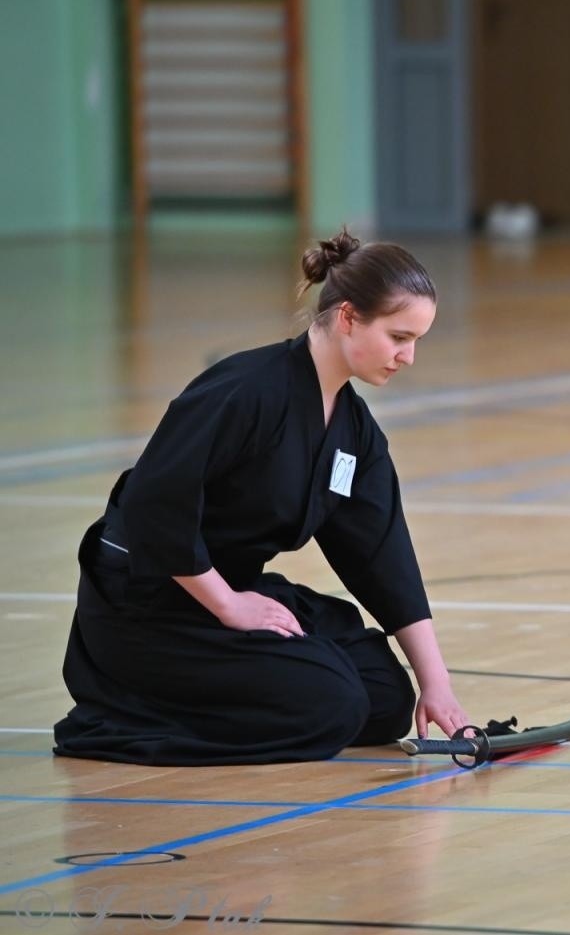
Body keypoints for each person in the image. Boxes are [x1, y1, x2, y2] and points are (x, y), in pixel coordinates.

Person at [54, 228, 471, 765]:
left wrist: (436, 684)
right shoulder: (244, 390)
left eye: (416, 341)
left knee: (384, 699)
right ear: (347, 317)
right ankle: (118, 719)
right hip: (148, 605)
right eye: (398, 337)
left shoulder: (354, 430)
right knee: (332, 705)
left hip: (232, 590)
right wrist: (228, 605)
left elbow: (382, 555)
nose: (408, 357)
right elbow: (154, 505)